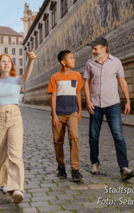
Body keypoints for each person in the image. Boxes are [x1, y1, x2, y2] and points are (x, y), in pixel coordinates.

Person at [83, 37, 134, 181]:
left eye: (95, 48)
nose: (93, 51)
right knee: (93, 137)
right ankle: (94, 162)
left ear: (104, 48)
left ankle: (124, 168)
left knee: (118, 136)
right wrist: (87, 101)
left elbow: (122, 82)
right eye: (92, 49)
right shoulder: (90, 64)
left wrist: (128, 101)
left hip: (112, 105)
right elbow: (86, 83)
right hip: (95, 105)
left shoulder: (116, 62)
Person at [0, 48, 36, 204]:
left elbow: (27, 75)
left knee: (15, 153)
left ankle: (17, 188)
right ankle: (5, 182)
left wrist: (31, 60)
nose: (6, 63)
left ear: (12, 64)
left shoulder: (17, 79)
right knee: (1, 154)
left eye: (9, 61)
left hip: (15, 118)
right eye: (3, 61)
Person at [47, 50, 84, 182]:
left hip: (72, 112)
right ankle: (61, 166)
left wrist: (79, 111)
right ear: (63, 62)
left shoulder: (77, 76)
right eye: (71, 58)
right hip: (59, 113)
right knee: (58, 141)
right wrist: (54, 115)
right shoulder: (55, 77)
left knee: (74, 137)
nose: (74, 60)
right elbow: (53, 96)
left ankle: (75, 169)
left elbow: (78, 93)